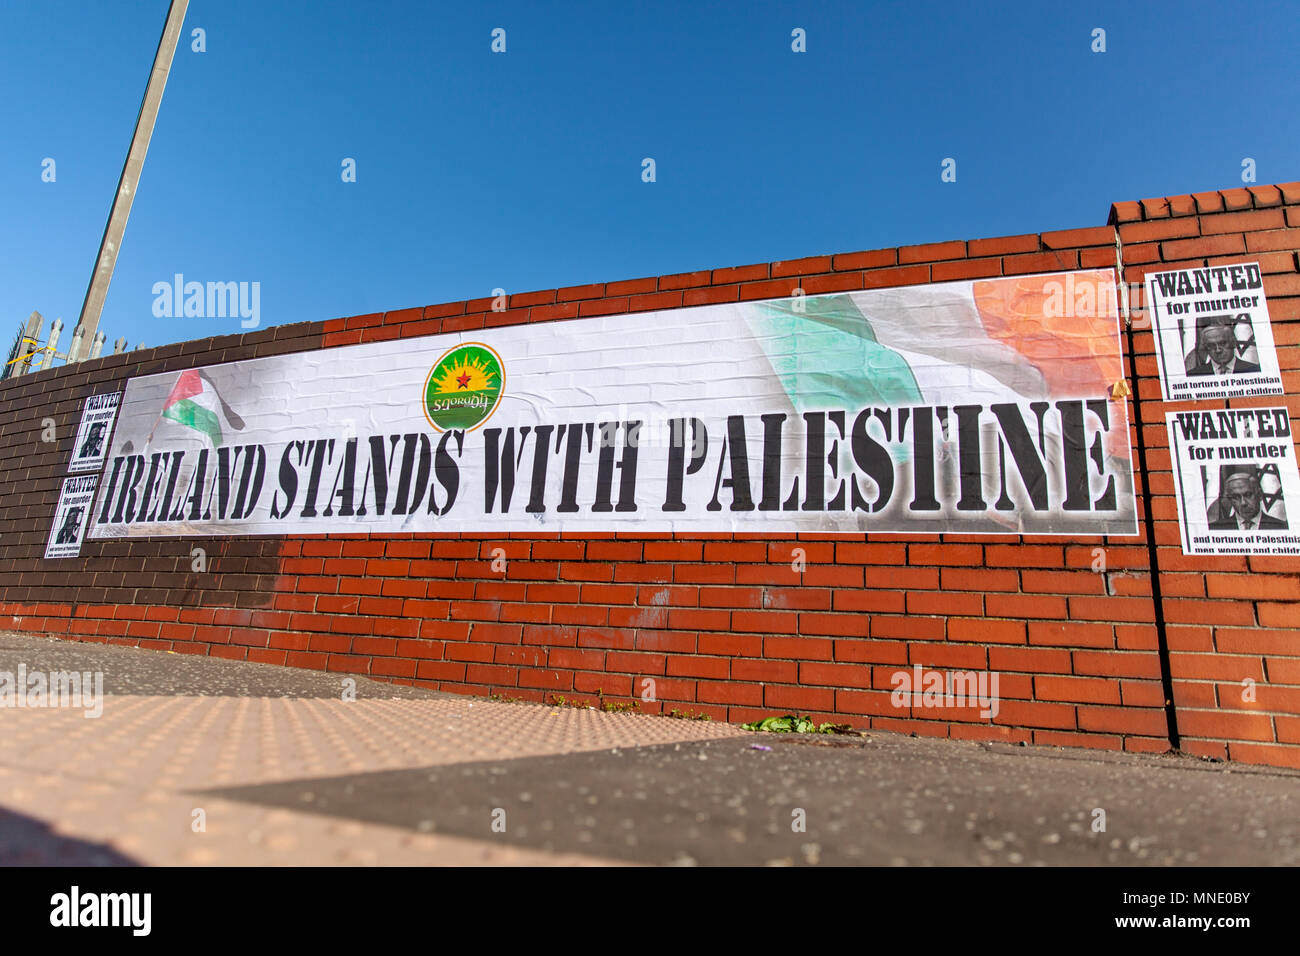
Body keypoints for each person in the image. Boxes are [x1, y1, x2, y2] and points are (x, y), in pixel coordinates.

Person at [1208, 472, 1288, 530]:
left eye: (1248, 495)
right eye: (1236, 497)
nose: (1243, 503)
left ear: (1259, 495)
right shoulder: (1215, 528)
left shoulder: (1282, 527)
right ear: (1230, 500)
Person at [1186, 323, 1260, 376]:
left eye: (1223, 343)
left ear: (1233, 343)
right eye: (1211, 345)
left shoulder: (1255, 370)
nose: (1218, 350)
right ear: (1206, 348)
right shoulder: (1193, 375)